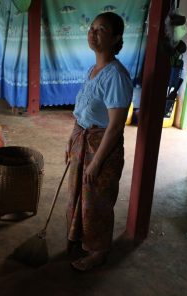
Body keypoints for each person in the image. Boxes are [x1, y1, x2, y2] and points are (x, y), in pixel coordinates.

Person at [65, 12, 133, 271]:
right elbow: (82, 112)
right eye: (92, 28)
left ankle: (99, 250)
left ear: (116, 38)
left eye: (101, 29)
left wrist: (96, 163)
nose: (93, 33)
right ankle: (81, 238)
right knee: (80, 195)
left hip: (102, 146)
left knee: (97, 201)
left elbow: (115, 126)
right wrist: (71, 142)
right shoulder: (93, 70)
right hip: (83, 140)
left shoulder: (116, 75)